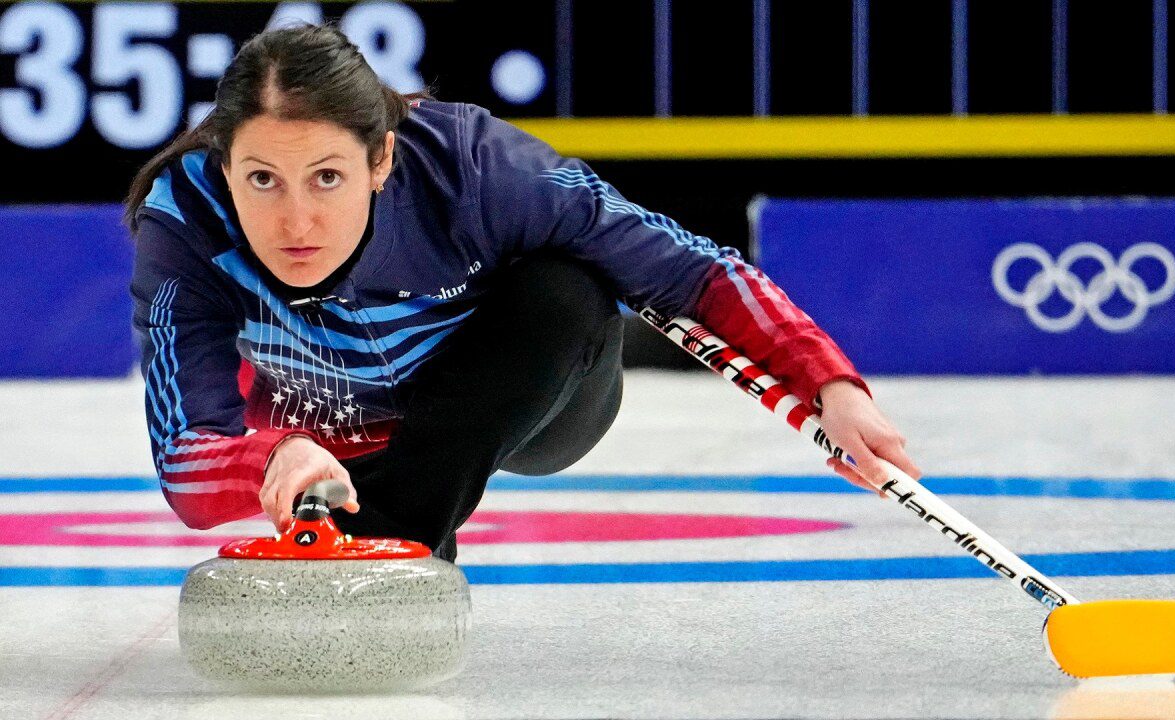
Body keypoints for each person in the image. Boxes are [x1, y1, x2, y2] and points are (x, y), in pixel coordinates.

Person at [126, 24, 919, 563]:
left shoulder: (482, 169)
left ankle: (395, 543)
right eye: (261, 179)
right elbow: (187, 466)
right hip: (328, 434)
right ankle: (376, 513)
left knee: (566, 286)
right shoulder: (184, 221)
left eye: (327, 176)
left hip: (534, 410)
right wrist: (275, 453)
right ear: (224, 167)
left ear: (381, 161)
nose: (295, 219)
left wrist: (830, 386)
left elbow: (694, 271)